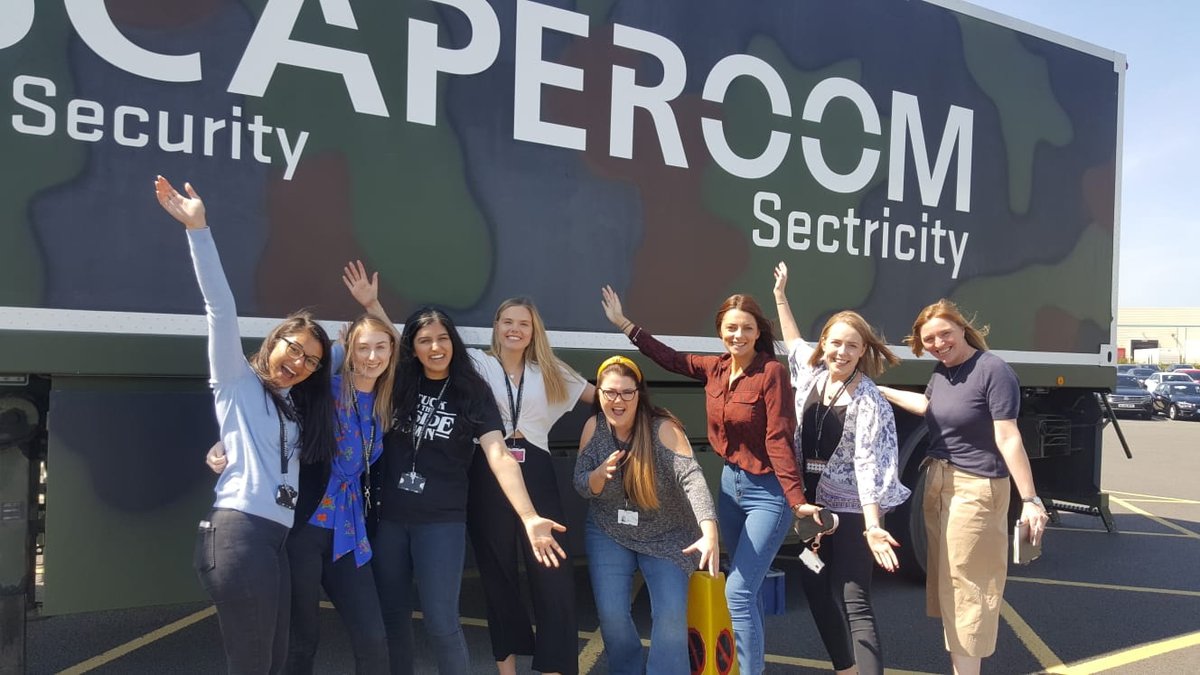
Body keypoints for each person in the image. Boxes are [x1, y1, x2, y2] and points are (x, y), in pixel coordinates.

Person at [343, 264, 592, 675]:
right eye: (426, 341)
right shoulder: (405, 379)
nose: (435, 347)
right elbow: (391, 346)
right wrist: (372, 305)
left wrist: (530, 516)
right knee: (395, 617)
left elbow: (499, 454)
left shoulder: (475, 390)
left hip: (445, 519)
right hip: (391, 519)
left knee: (444, 623)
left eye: (443, 339)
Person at [155, 175, 335, 674]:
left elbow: (364, 361)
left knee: (273, 661)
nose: (298, 362)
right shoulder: (235, 380)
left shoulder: (294, 405)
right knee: (254, 664)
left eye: (311, 360)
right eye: (294, 349)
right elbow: (220, 309)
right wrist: (198, 231)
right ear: (274, 342)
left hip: (274, 539)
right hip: (240, 534)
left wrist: (222, 447)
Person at [601, 286, 819, 674]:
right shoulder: (715, 368)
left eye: (747, 328)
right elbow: (669, 357)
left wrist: (796, 499)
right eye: (731, 328)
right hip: (731, 487)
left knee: (738, 590)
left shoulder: (771, 373)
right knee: (748, 590)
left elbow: (779, 438)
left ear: (758, 331)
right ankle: (751, 666)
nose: (738, 335)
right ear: (721, 330)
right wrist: (624, 324)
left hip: (768, 493)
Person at [208, 315, 400, 673]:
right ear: (349, 352)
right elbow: (266, 415)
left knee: (373, 638)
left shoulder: (386, 404)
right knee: (302, 641)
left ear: (391, 352)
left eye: (380, 347)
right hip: (303, 530)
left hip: (349, 533)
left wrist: (372, 305)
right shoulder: (321, 391)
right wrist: (224, 443)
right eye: (362, 348)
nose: (372, 356)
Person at [877, 299, 1050, 675]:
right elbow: (929, 406)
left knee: (969, 588)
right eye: (929, 340)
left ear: (962, 329)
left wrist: (1030, 499)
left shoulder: (993, 370)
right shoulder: (943, 371)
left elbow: (1008, 437)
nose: (938, 344)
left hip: (976, 488)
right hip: (940, 482)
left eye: (945, 334)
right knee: (951, 586)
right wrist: (881, 391)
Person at [772, 262, 911, 675]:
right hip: (814, 510)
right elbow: (793, 341)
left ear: (863, 351)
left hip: (851, 513)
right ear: (825, 344)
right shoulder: (812, 374)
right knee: (814, 586)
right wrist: (780, 296)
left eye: (852, 346)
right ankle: (845, 668)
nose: (842, 352)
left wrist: (872, 525)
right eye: (835, 343)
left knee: (855, 600)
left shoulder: (869, 401)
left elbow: (868, 464)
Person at [574, 355, 719, 675]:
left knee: (669, 616)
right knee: (612, 615)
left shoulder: (662, 428)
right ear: (599, 394)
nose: (618, 400)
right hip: (609, 528)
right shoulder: (594, 428)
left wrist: (709, 531)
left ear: (639, 394)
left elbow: (693, 479)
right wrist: (597, 476)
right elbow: (581, 483)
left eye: (627, 392)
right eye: (610, 392)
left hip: (667, 534)